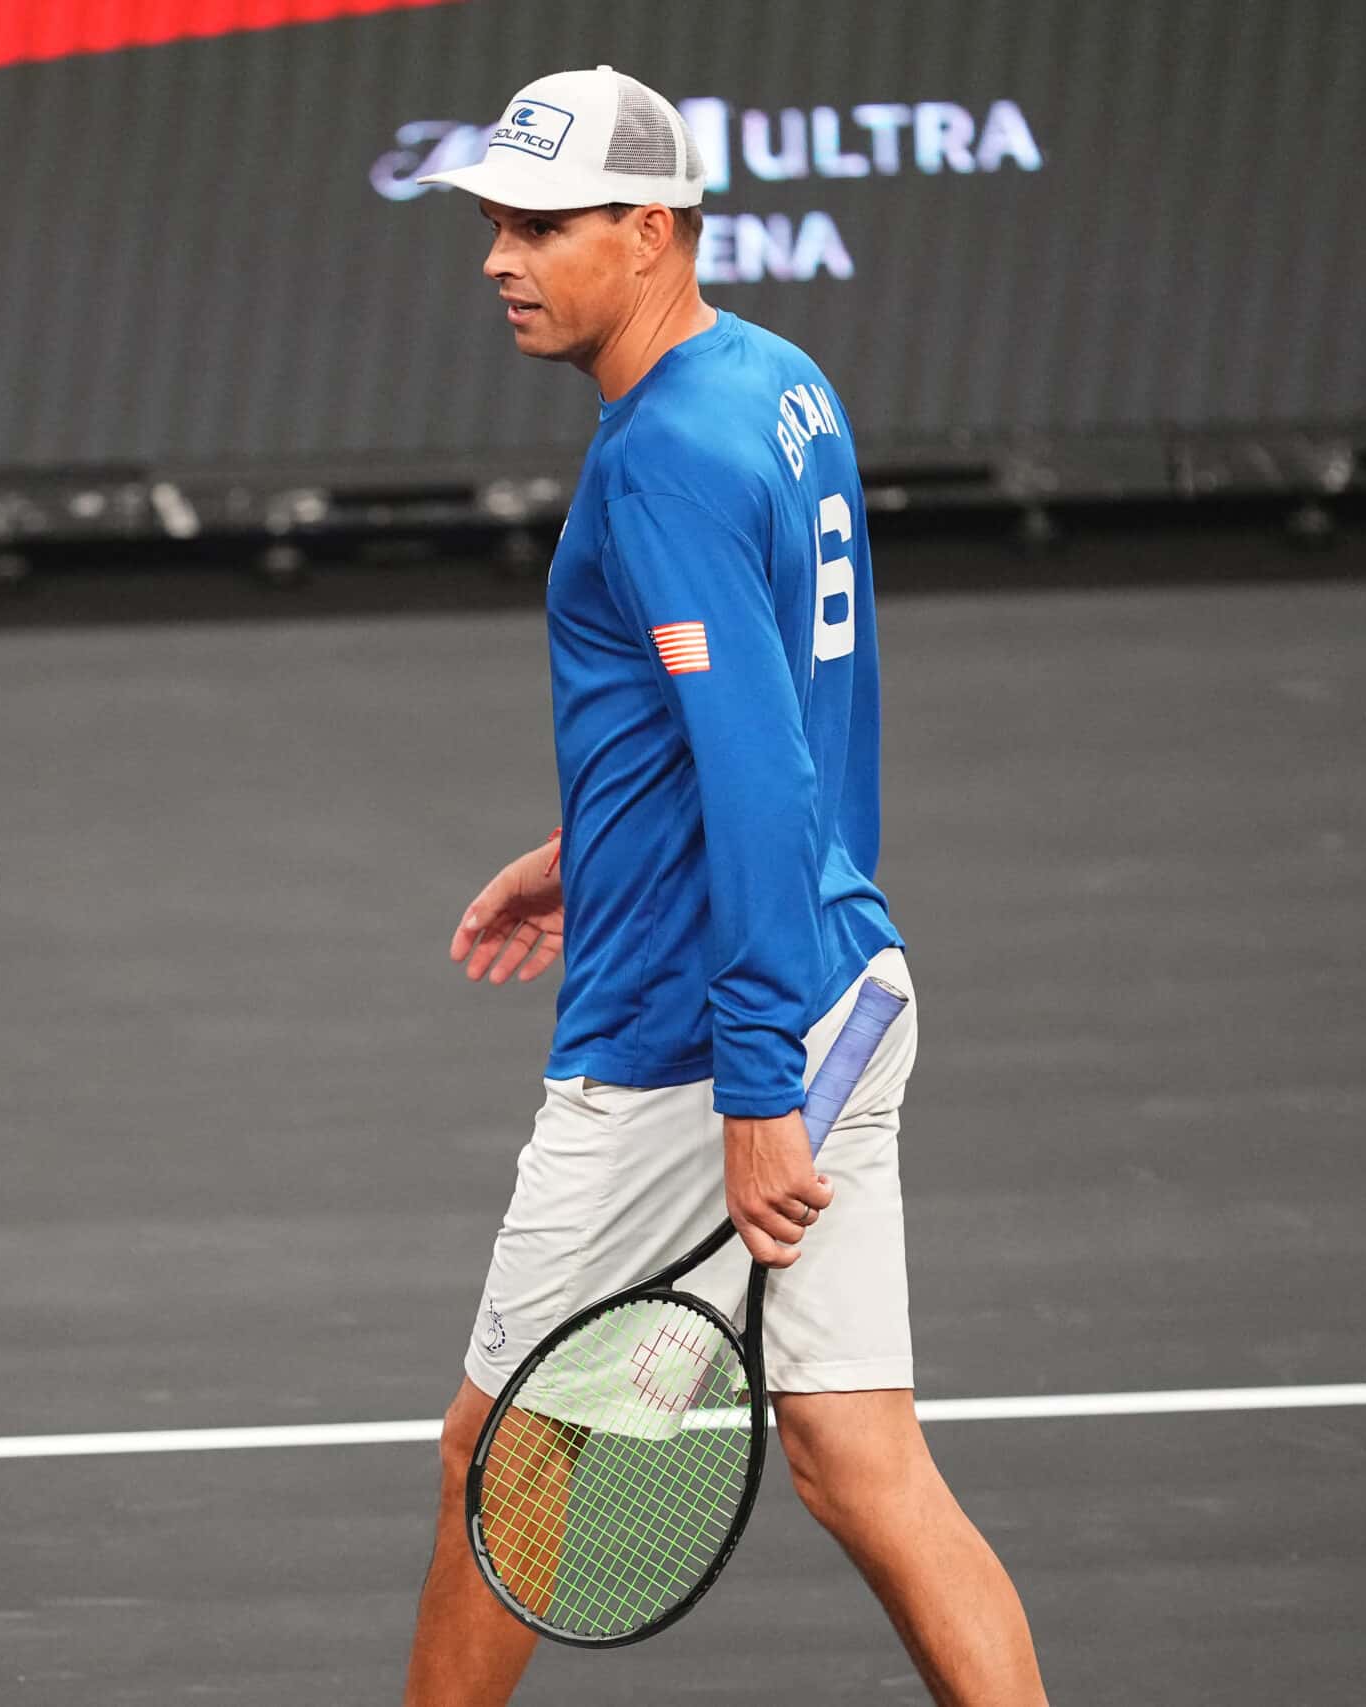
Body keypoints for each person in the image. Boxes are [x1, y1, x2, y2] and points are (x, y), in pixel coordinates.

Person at [399, 69, 1047, 1705]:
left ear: (651, 228)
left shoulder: (664, 461)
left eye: (542, 226)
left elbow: (755, 767)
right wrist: (593, 849)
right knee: (855, 1458)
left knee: (502, 1456)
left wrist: (753, 1081)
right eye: (493, 222)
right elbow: (764, 706)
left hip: (699, 1045)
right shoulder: (774, 381)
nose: (500, 257)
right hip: (844, 972)